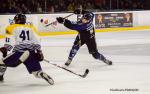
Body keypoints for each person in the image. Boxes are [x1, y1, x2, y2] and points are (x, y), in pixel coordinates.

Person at [0, 13, 54, 85]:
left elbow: (10, 42)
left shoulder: (11, 27)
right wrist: (39, 51)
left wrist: (6, 49)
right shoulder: (31, 27)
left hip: (19, 52)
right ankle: (41, 74)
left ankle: (0, 76)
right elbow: (37, 40)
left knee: (1, 62)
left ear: (17, 20)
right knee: (36, 72)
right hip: (31, 52)